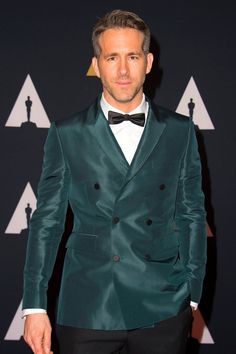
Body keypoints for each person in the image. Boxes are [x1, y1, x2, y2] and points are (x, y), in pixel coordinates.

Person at [22, 9, 207, 354]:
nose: (123, 71)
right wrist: (34, 305)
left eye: (133, 57)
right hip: (87, 304)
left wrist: (192, 292)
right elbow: (46, 221)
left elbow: (192, 214)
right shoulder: (67, 133)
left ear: (148, 62)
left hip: (164, 305)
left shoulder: (181, 132)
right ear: (97, 64)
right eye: (112, 57)